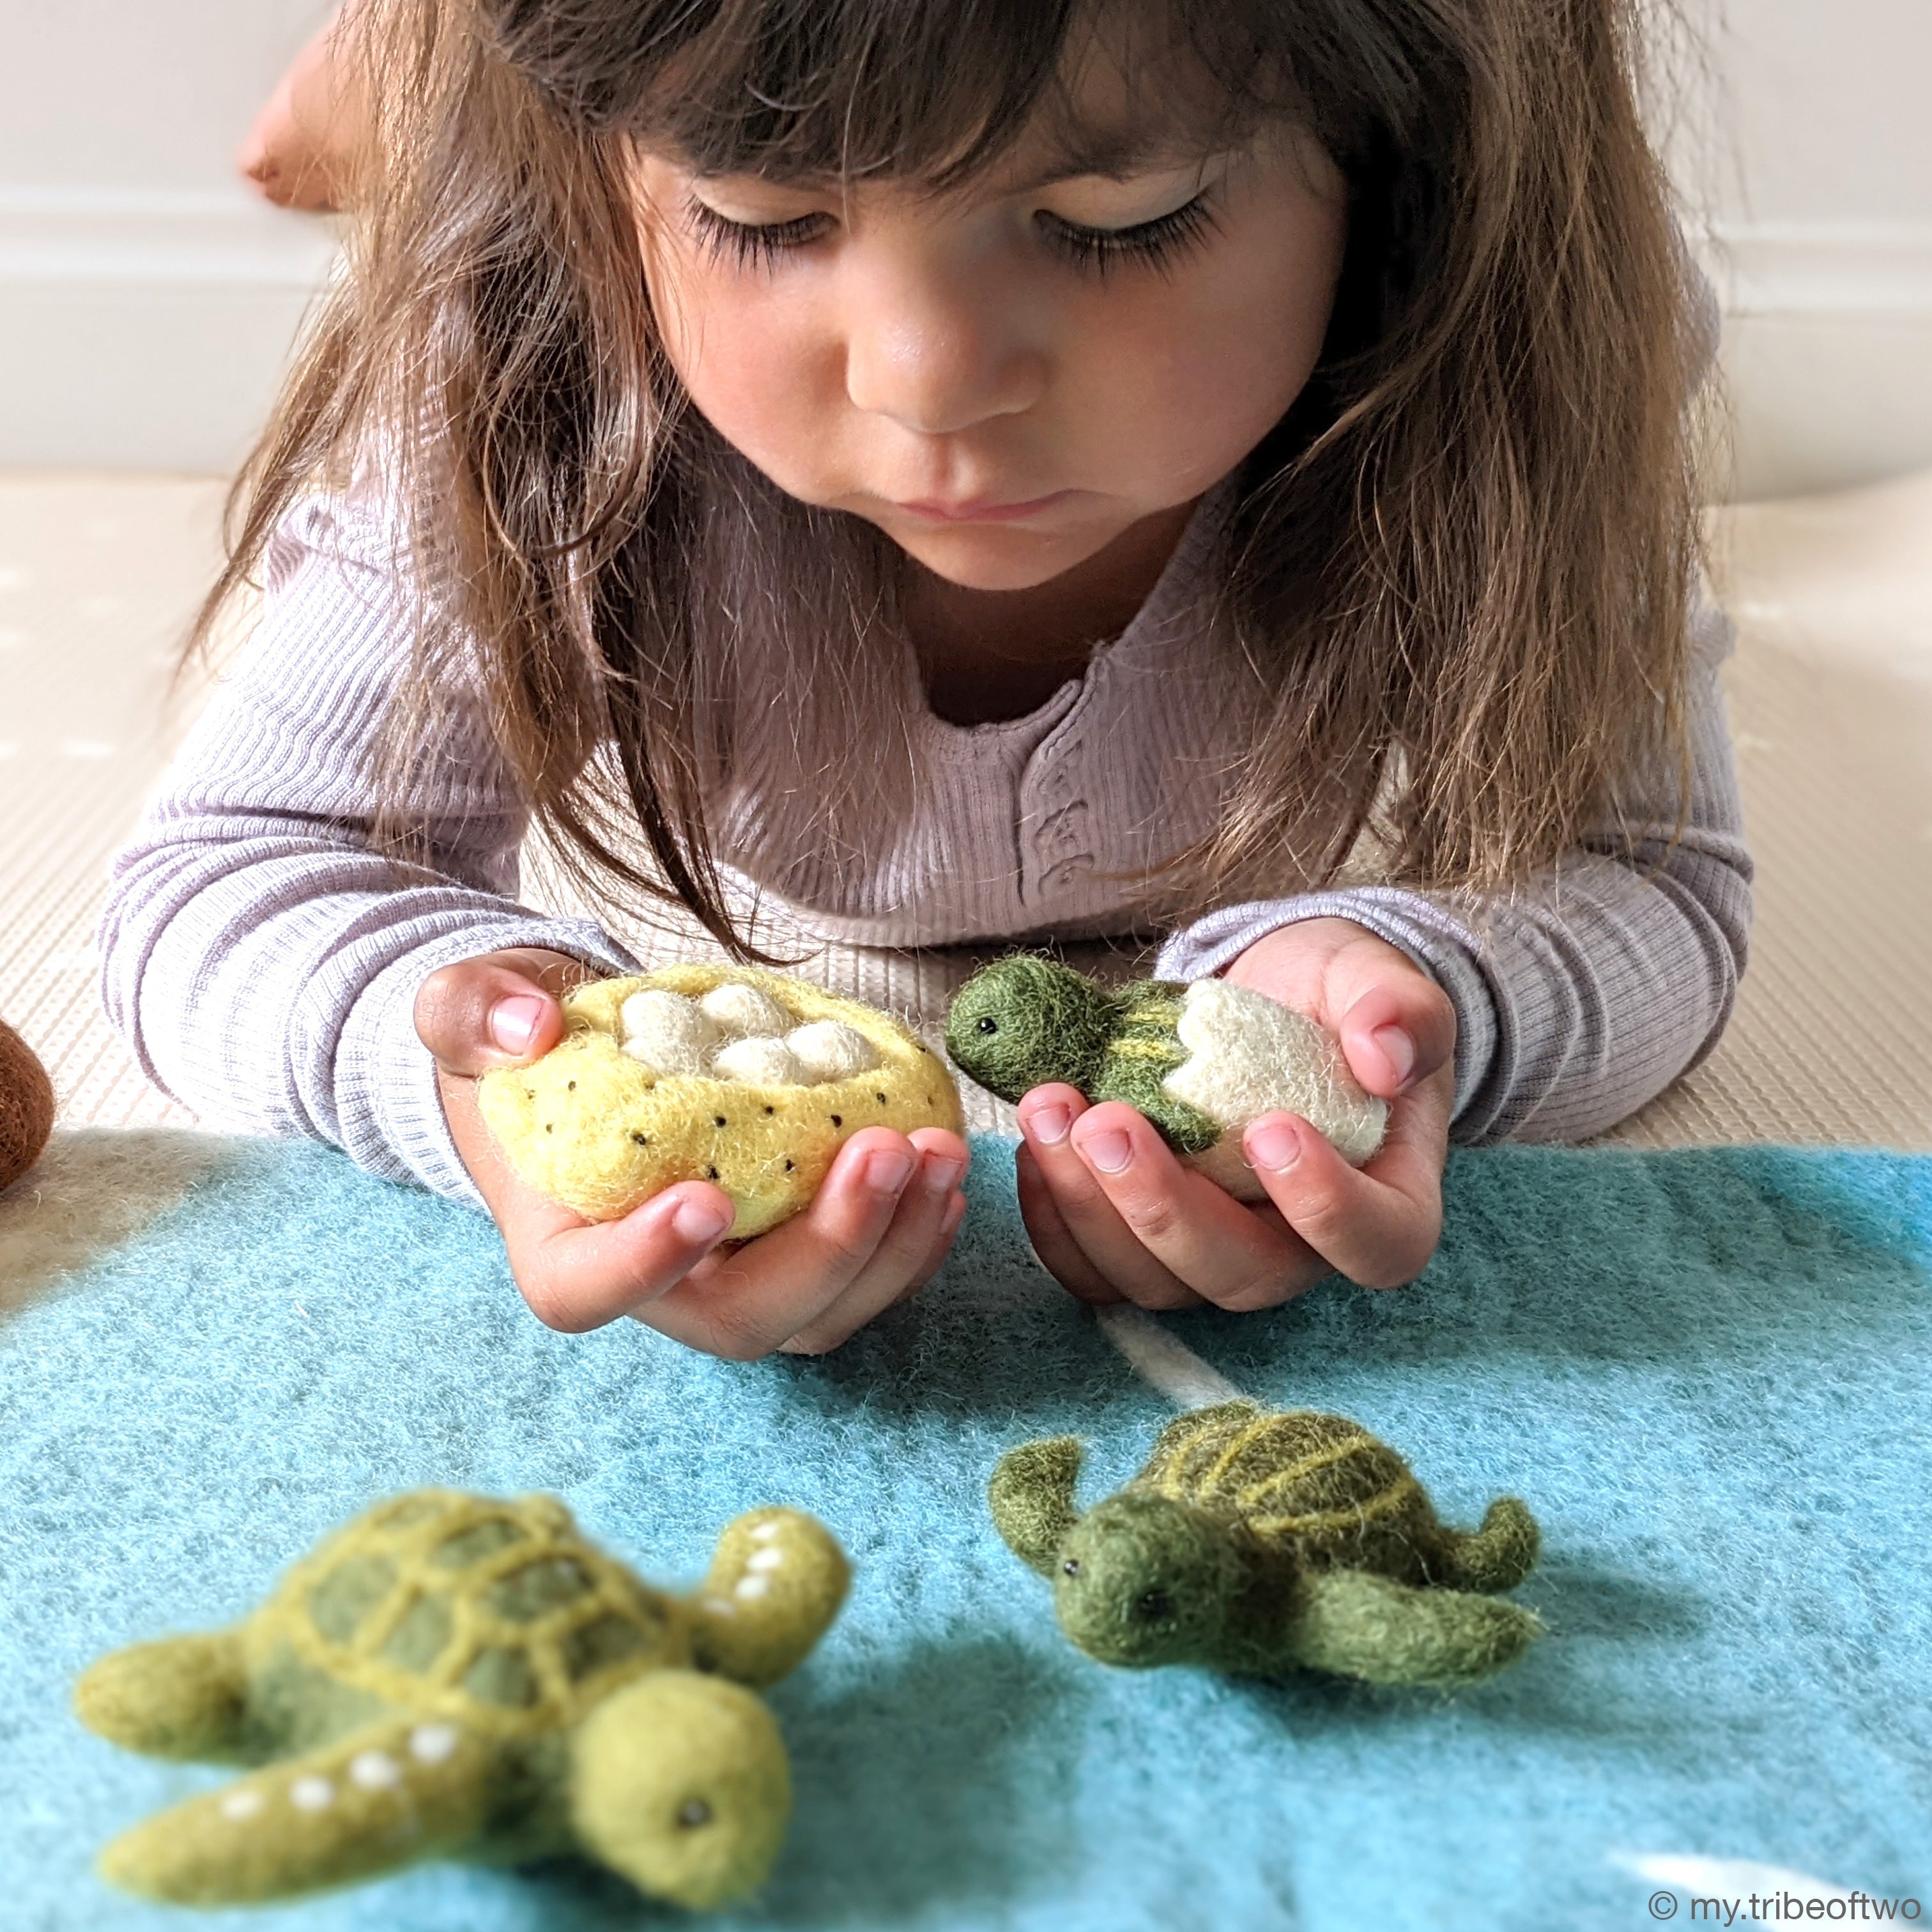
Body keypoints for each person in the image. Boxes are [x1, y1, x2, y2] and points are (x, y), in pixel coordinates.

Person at [109, 0, 1749, 1359]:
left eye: (1117, 218)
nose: (926, 383)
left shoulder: (1532, 353)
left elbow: (1653, 880)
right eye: (765, 218)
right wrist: (484, 1077)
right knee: (415, 130)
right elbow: (228, 868)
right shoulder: (518, 343)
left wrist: (1426, 995)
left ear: (1402, 181)